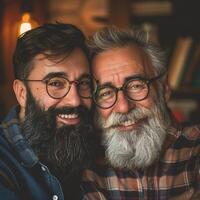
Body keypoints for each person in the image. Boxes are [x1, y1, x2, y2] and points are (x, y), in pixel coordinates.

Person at [81, 27, 200, 199]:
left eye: (136, 85)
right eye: (106, 93)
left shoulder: (195, 149)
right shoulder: (85, 166)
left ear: (164, 89)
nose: (124, 107)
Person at [0, 23, 98, 200]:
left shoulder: (97, 144)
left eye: (84, 83)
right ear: (22, 93)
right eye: (56, 83)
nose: (75, 100)